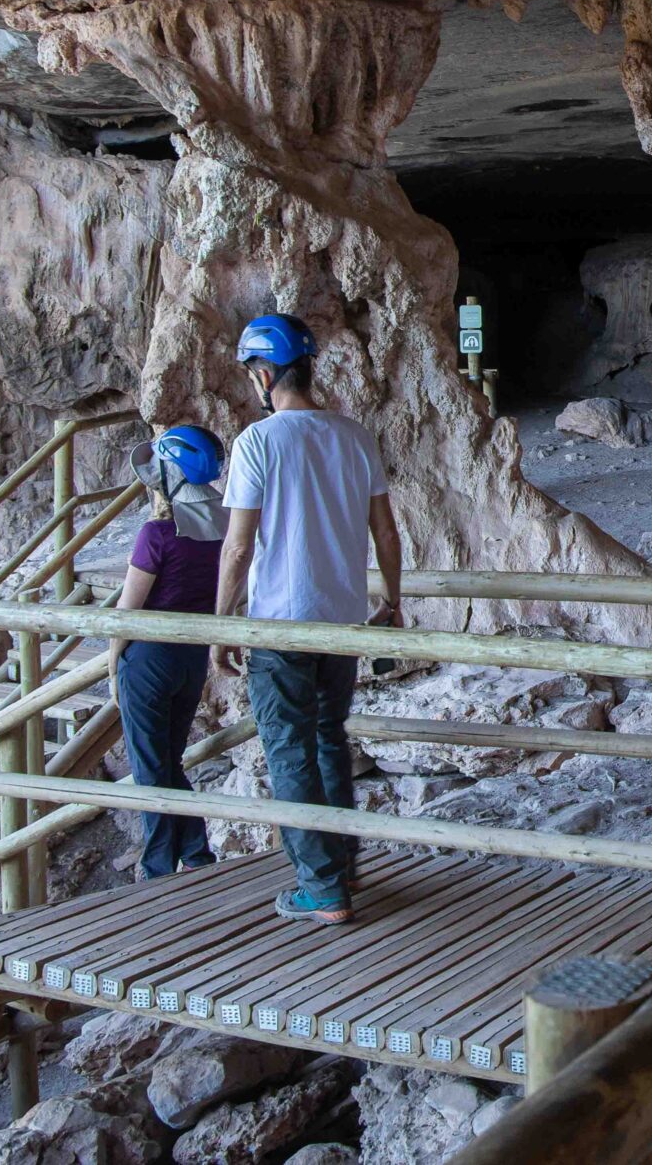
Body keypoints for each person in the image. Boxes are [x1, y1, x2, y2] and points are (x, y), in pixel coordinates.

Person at [214, 314, 402, 923]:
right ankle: (342, 865)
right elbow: (385, 531)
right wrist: (393, 603)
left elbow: (239, 547)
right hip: (342, 621)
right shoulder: (354, 436)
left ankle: (321, 888)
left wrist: (222, 623)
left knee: (289, 748)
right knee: (328, 740)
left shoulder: (257, 443)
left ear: (265, 374)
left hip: (280, 626)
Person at [113, 424, 229, 879]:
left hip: (149, 658)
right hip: (192, 656)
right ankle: (196, 853)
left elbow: (127, 611)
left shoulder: (156, 534)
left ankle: (158, 865)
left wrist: (112, 662)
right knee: (169, 758)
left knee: (148, 763)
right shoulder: (227, 527)